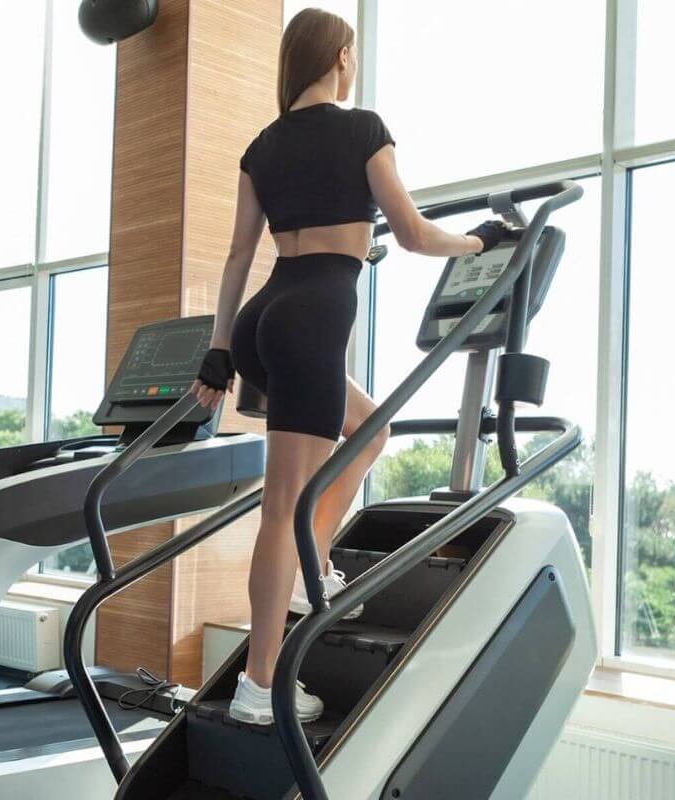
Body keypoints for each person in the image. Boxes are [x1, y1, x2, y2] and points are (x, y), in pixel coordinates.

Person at [189, 8, 508, 725]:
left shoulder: (261, 147)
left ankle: (313, 567)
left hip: (262, 316)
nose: (354, 63)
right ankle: (260, 686)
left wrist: (217, 349)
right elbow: (415, 233)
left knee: (369, 431)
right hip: (312, 319)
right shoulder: (363, 127)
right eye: (352, 52)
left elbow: (240, 256)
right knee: (281, 510)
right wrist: (481, 241)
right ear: (337, 56)